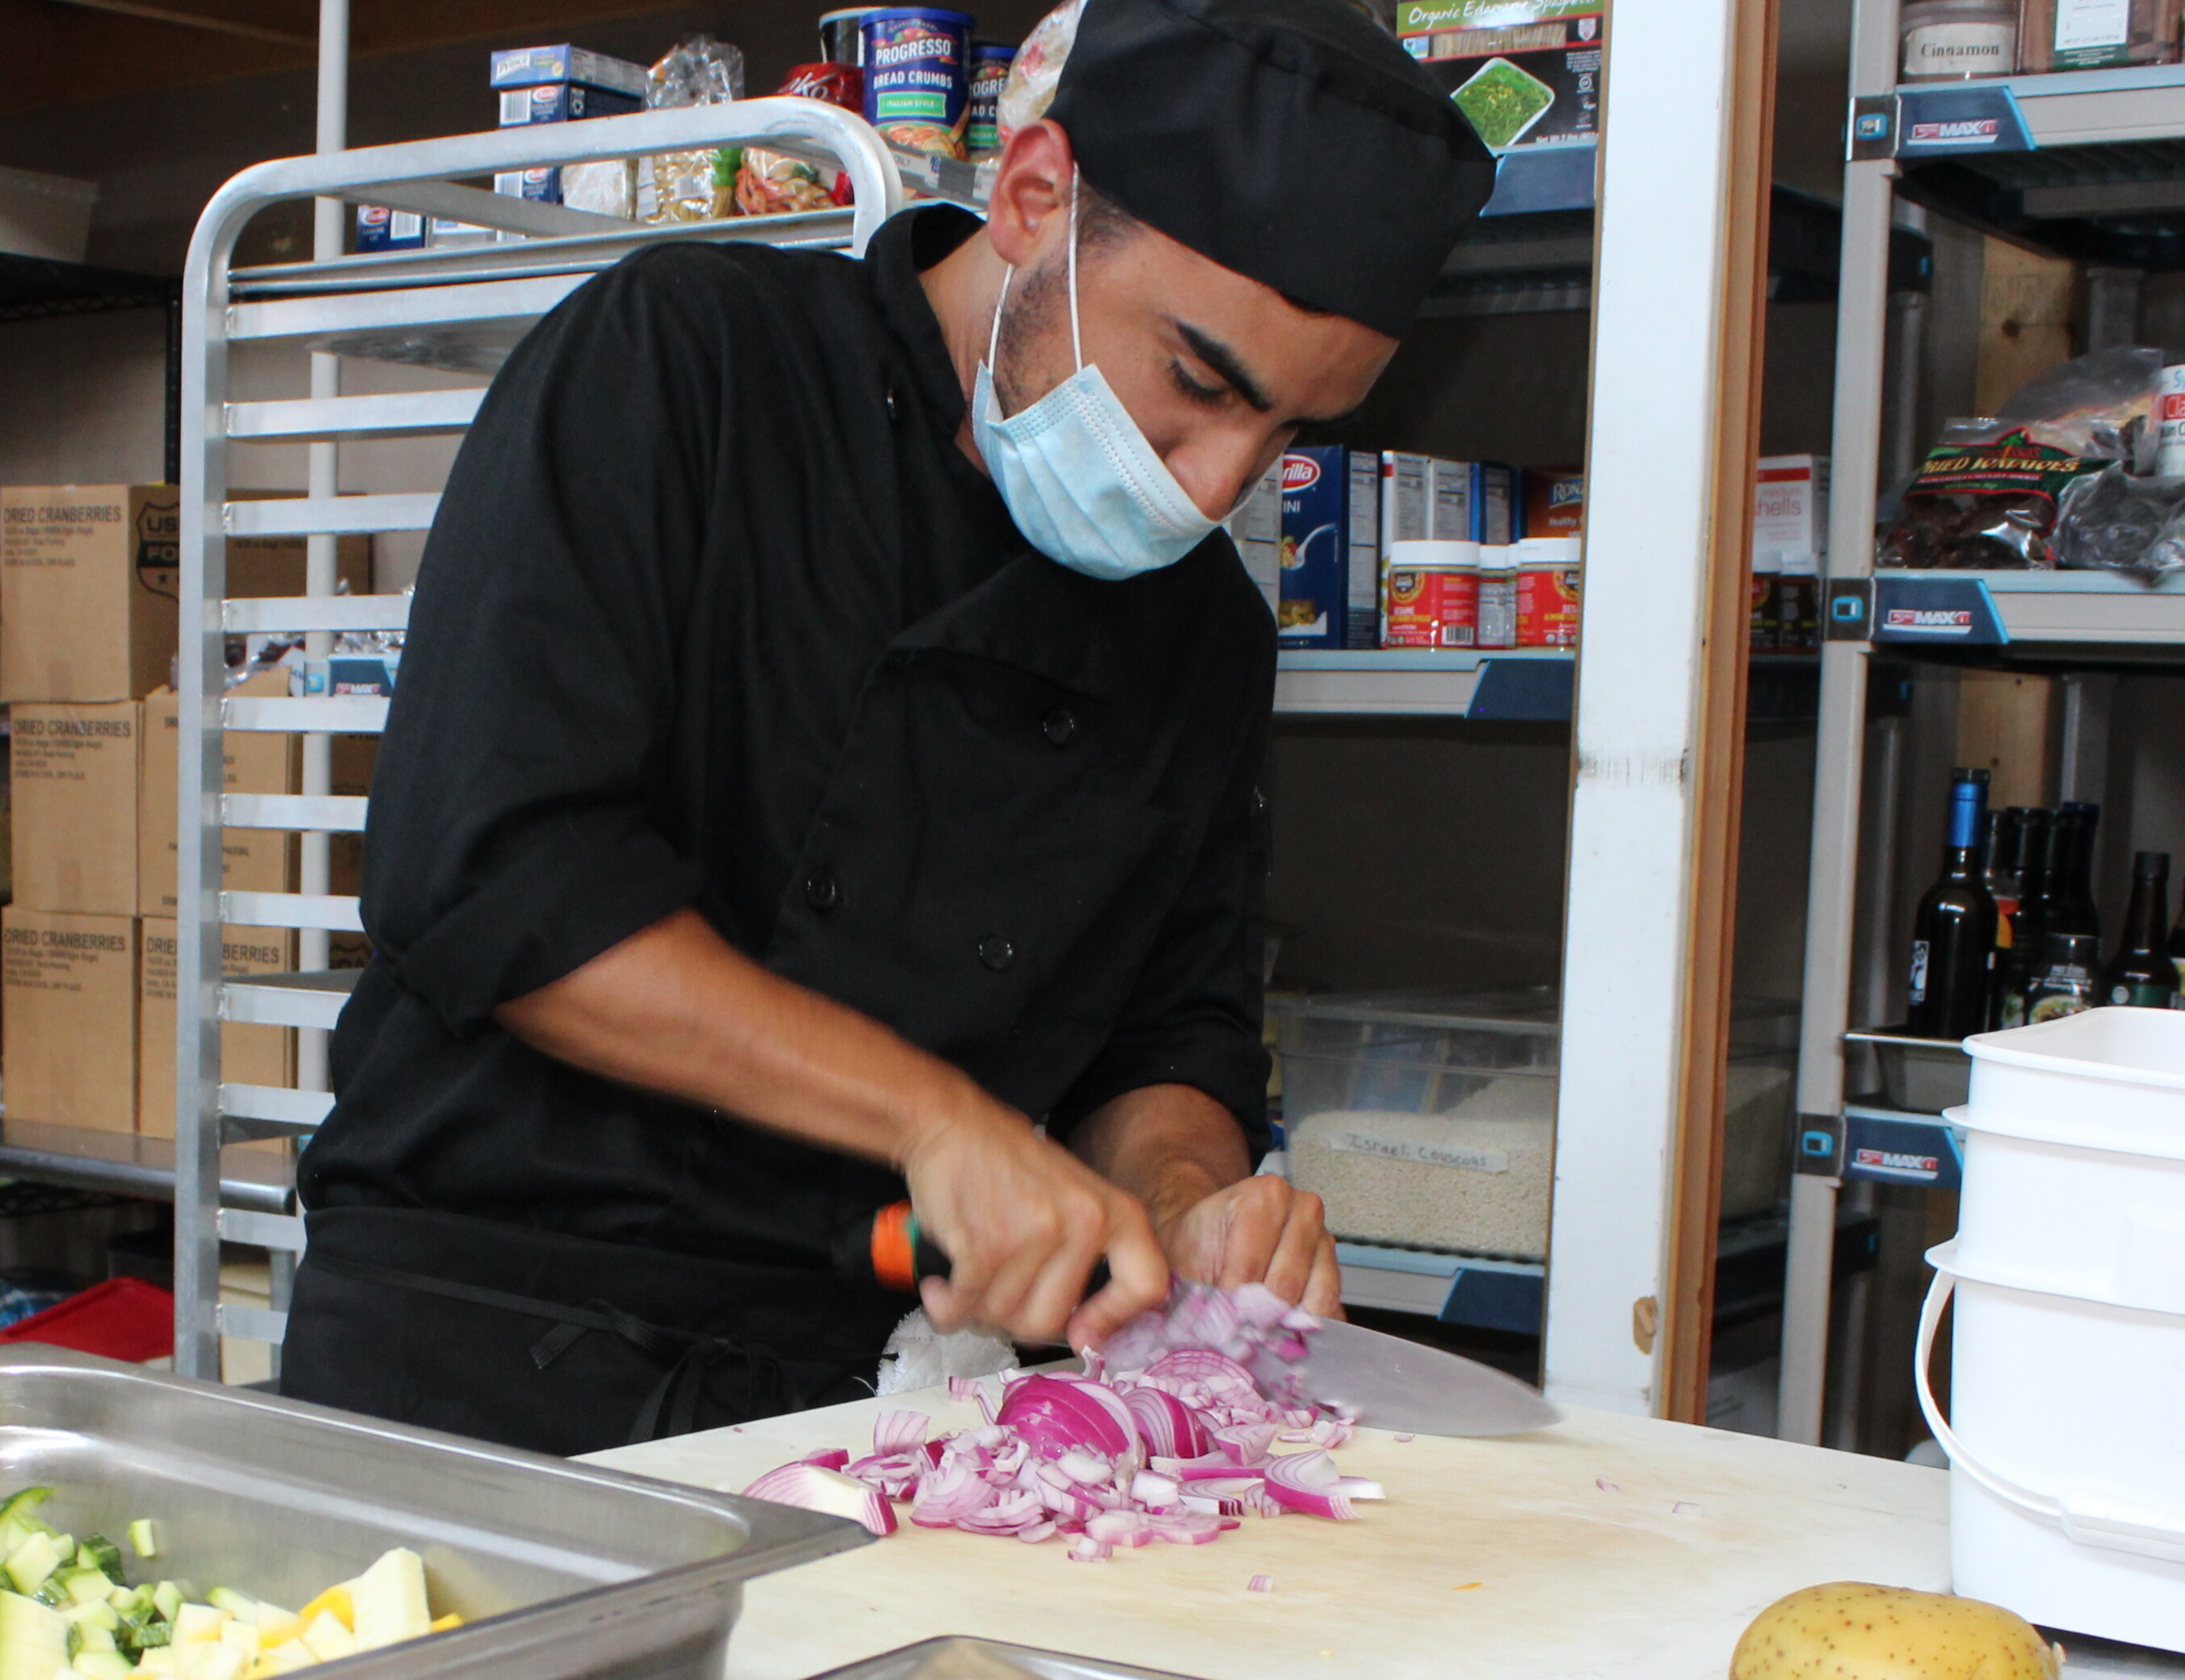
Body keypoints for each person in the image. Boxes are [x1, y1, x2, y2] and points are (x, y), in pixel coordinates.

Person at [277, 0, 1498, 1455]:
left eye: (1294, 430)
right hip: (479, 1363)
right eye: (1200, 382)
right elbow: (496, 874)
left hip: (866, 1400)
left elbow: (1171, 1030)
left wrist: (1192, 1203)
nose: (1217, 482)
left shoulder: (1204, 631)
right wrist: (936, 1119)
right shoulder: (688, 366)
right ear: (1036, 196)